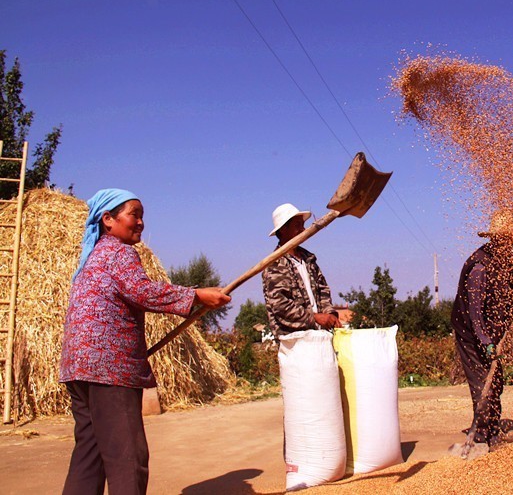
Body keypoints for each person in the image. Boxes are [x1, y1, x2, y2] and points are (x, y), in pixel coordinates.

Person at [59, 189, 230, 495]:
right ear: (108, 220)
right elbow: (143, 292)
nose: (140, 222)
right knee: (128, 457)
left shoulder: (94, 256)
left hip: (78, 368)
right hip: (108, 370)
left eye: (142, 216)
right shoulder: (119, 253)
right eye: (133, 214)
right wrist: (196, 295)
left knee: (91, 453)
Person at [451, 210, 513, 448]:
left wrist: (512, 311)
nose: (508, 242)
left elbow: (510, 295)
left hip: (491, 331)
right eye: (504, 238)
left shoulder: (506, 260)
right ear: (494, 239)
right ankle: (482, 438)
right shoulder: (479, 267)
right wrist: (485, 341)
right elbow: (475, 312)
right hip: (471, 333)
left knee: (496, 381)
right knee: (483, 382)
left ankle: (493, 431)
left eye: (510, 238)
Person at [262, 203, 340, 339]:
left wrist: (330, 315)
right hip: (294, 341)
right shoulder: (274, 264)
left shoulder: (308, 259)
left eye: (302, 224)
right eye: (297, 225)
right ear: (283, 230)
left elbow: (323, 291)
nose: (303, 229)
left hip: (320, 337)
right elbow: (281, 307)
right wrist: (315, 318)